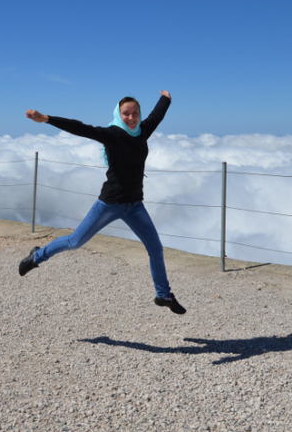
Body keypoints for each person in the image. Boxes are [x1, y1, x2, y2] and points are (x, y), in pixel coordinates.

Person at [20, 90, 186, 314]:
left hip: (135, 206)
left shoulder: (142, 132)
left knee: (156, 249)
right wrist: (47, 119)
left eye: (135, 113)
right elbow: (82, 128)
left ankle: (163, 295)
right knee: (74, 242)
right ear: (119, 114)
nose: (131, 117)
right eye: (126, 113)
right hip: (110, 204)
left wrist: (166, 99)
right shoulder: (113, 134)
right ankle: (36, 256)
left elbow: (156, 116)